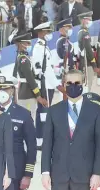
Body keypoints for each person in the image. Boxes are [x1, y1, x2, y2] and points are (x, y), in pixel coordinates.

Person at [33, 21, 60, 149]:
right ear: (41, 33)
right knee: (43, 114)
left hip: (48, 84)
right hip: (44, 85)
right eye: (47, 32)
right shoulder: (39, 48)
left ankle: (42, 141)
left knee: (44, 114)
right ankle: (40, 142)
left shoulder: (45, 47)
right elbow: (44, 70)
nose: (49, 34)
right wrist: (58, 84)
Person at [13, 32, 48, 121]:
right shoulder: (23, 59)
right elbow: (30, 79)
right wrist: (38, 95)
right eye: (27, 43)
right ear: (21, 44)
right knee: (28, 120)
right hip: (27, 94)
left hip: (26, 93)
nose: (30, 45)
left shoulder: (23, 57)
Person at [77, 11, 100, 94]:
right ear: (84, 20)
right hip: (87, 63)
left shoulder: (82, 32)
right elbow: (88, 51)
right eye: (89, 19)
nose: (90, 21)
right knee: (87, 85)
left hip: (84, 62)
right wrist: (94, 65)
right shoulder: (84, 33)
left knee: (85, 84)